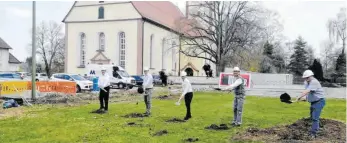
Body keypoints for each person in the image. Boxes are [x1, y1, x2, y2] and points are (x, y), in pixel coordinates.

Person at [295, 70, 325, 139]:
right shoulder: (306, 82)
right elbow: (308, 92)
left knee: (315, 118)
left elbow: (307, 91)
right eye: (305, 78)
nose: (306, 79)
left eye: (307, 77)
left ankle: (313, 134)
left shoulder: (314, 82)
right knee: (312, 116)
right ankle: (317, 127)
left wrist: (299, 97)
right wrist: (304, 98)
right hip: (313, 102)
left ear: (311, 76)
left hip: (319, 101)